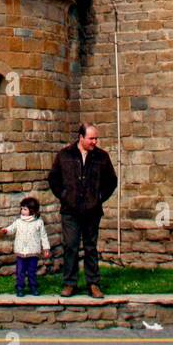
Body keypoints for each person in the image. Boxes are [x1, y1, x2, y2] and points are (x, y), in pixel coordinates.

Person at [48, 123, 117, 298]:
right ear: (81, 137)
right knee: (70, 246)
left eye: (96, 138)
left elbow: (111, 181)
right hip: (70, 210)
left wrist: (98, 197)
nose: (94, 142)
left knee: (90, 247)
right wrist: (64, 195)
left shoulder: (102, 156)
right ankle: (69, 283)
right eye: (91, 138)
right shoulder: (65, 155)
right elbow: (54, 178)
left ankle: (93, 283)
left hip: (92, 210)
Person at [0, 196, 51, 296]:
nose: (22, 211)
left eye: (25, 209)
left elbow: (43, 235)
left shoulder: (38, 222)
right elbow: (12, 228)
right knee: (20, 272)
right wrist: (6, 230)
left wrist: (46, 248)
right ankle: (20, 288)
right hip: (21, 252)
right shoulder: (18, 222)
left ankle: (33, 287)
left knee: (31, 272)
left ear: (32, 210)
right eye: (21, 208)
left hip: (33, 252)